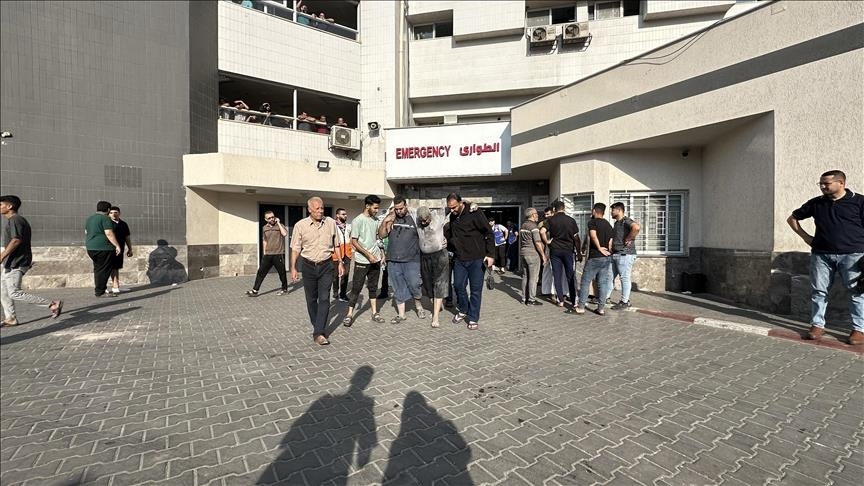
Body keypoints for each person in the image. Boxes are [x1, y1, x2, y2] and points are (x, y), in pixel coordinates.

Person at [787, 170, 864, 346]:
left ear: (841, 183)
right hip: (821, 254)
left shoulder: (859, 202)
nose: (822, 187)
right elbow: (792, 218)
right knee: (819, 291)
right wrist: (806, 237)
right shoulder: (816, 203)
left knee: (856, 292)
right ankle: (817, 326)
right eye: (820, 183)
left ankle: (859, 330)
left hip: (853, 255)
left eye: (826, 184)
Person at [1, 195, 62, 327]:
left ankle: (52, 304)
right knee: (3, 291)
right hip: (10, 262)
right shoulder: (14, 220)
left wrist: (2, 256)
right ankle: (10, 318)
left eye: (1, 205)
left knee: (14, 292)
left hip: (17, 262)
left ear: (9, 206)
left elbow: (16, 240)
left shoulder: (15, 219)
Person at [290, 197, 344, 346]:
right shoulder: (300, 225)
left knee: (325, 298)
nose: (320, 211)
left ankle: (319, 333)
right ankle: (318, 326)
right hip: (308, 267)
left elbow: (336, 245)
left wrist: (340, 262)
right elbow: (295, 248)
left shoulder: (331, 223)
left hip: (327, 265)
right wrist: (293, 268)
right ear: (309, 210)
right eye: (317, 209)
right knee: (311, 300)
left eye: (322, 208)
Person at [444, 193, 494, 330]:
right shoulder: (453, 216)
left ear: (461, 203)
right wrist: (448, 243)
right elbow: (454, 235)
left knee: (475, 290)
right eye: (450, 208)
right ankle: (463, 309)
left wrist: (490, 254)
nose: (452, 210)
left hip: (477, 259)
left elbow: (488, 232)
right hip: (460, 258)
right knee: (458, 285)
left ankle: (473, 317)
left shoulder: (475, 213)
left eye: (454, 207)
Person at [378, 196, 424, 323]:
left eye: (401, 208)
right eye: (396, 209)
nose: (399, 211)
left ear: (406, 206)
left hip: (412, 260)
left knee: (414, 284)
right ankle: (401, 314)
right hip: (393, 260)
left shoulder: (414, 218)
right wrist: (385, 221)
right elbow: (382, 235)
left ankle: (418, 305)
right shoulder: (391, 219)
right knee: (397, 287)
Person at [343, 196, 385, 326]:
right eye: (375, 208)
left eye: (378, 208)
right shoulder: (357, 220)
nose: (377, 210)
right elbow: (354, 242)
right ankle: (349, 314)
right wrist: (368, 255)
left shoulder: (375, 220)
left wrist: (382, 254)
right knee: (356, 288)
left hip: (375, 260)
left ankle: (374, 313)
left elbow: (379, 238)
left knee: (373, 287)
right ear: (367, 206)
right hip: (362, 261)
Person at [571, 203, 614, 316]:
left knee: (585, 282)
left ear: (594, 211)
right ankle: (601, 309)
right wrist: (608, 252)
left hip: (595, 257)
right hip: (606, 257)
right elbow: (610, 243)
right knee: (602, 283)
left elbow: (593, 235)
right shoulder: (608, 225)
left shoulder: (592, 222)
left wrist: (599, 248)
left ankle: (581, 307)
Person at [543, 200, 581, 308]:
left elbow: (542, 231)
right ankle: (574, 301)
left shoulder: (551, 220)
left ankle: (560, 300)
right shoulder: (571, 220)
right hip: (568, 251)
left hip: (555, 251)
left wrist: (547, 242)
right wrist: (578, 252)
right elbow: (576, 238)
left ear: (554, 209)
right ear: (564, 208)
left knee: (557, 276)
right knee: (570, 276)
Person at [416, 206, 449, 328]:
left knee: (439, 284)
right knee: (428, 285)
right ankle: (437, 307)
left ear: (430, 216)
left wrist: (472, 205)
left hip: (440, 256)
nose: (424, 222)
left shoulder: (438, 216)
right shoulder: (416, 219)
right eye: (422, 220)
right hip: (425, 257)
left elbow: (455, 205)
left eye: (426, 220)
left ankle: (435, 317)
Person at [604, 202, 641, 310]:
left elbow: (636, 227)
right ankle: (605, 298)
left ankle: (625, 301)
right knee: (609, 277)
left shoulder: (626, 221)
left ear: (619, 210)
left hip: (625, 254)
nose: (611, 212)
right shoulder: (617, 223)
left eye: (613, 210)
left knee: (624, 278)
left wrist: (630, 237)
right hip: (615, 254)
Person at [246, 211, 288, 297]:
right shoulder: (264, 228)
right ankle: (255, 291)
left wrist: (278, 223)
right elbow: (264, 240)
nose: (272, 219)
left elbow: (285, 234)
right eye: (269, 218)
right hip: (268, 254)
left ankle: (284, 289)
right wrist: (264, 253)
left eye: (273, 217)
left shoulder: (280, 225)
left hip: (278, 254)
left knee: (282, 273)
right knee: (261, 272)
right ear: (266, 219)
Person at [85, 201, 122, 298]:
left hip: (91, 248)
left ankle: (99, 289)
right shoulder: (105, 218)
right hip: (104, 248)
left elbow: (86, 232)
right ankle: (100, 292)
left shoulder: (90, 219)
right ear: (108, 209)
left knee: (98, 269)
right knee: (104, 270)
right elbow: (109, 233)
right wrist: (117, 245)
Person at [519, 207, 547, 306]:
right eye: (536, 214)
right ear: (532, 215)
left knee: (525, 276)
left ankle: (524, 298)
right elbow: (538, 243)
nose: (537, 215)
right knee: (533, 278)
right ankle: (531, 300)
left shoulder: (523, 225)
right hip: (533, 254)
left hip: (523, 253)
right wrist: (543, 256)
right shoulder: (533, 227)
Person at [107, 206, 133, 295]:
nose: (113, 215)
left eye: (116, 212)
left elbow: (127, 237)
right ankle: (105, 287)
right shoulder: (107, 223)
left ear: (119, 213)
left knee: (116, 267)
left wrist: (130, 249)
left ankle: (116, 286)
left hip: (120, 248)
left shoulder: (123, 224)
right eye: (111, 213)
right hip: (109, 248)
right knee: (109, 267)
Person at [332, 208, 352, 302]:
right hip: (336, 254)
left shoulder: (349, 226)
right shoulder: (333, 226)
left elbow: (351, 238)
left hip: (347, 253)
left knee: (345, 274)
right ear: (337, 215)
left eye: (346, 214)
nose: (345, 216)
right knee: (335, 275)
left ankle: (343, 294)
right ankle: (335, 291)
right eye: (343, 214)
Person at [539, 206, 556, 298]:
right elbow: (540, 233)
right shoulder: (544, 223)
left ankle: (552, 292)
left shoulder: (555, 222)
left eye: (548, 214)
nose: (546, 216)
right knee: (546, 270)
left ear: (553, 213)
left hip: (554, 249)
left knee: (553, 270)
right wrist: (547, 242)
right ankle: (545, 290)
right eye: (545, 214)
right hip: (547, 249)